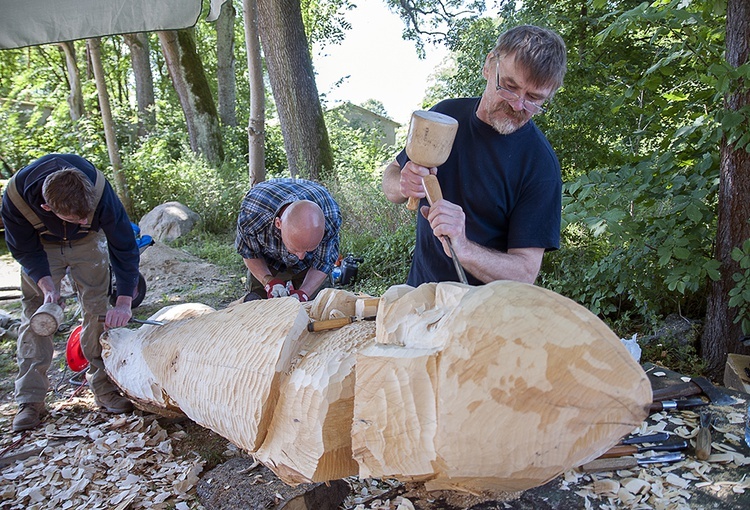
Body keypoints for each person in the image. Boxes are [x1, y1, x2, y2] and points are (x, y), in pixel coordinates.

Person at [382, 25, 567, 287]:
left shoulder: (539, 166)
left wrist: (464, 248)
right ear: (489, 65)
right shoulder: (445, 116)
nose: (517, 105)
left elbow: (525, 272)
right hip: (419, 300)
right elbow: (391, 179)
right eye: (510, 86)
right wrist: (402, 182)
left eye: (534, 99)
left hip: (482, 318)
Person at [2, 154, 140, 432]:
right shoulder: (15, 197)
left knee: (98, 312)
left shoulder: (99, 191)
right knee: (37, 319)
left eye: (87, 214)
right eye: (74, 218)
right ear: (46, 206)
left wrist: (124, 300)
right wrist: (45, 284)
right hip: (41, 244)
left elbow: (124, 245)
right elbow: (23, 249)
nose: (83, 220)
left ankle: (104, 387)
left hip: (88, 242)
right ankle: (30, 400)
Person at [235, 178, 342, 302]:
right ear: (278, 223)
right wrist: (269, 281)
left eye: (309, 249)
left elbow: (323, 263)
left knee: (319, 306)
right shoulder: (253, 214)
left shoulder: (330, 215)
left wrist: (303, 293)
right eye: (295, 249)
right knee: (257, 306)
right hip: (268, 261)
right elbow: (249, 253)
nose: (300, 257)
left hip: (310, 266)